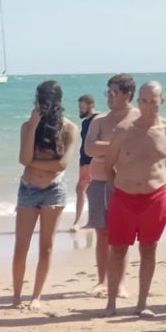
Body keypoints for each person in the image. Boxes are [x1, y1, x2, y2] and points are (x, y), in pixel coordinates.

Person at [100, 82, 166, 318]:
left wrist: (155, 184)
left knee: (148, 249)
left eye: (153, 100)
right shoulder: (124, 130)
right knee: (117, 250)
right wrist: (120, 186)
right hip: (123, 198)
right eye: (143, 100)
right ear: (138, 102)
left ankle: (142, 303)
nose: (148, 105)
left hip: (154, 198)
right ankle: (111, 303)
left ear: (161, 100)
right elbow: (108, 166)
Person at [12, 81, 77, 310]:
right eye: (39, 100)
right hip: (28, 188)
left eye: (46, 101)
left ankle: (36, 296)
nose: (42, 105)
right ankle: (17, 295)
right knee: (21, 245)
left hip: (54, 190)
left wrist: (35, 164)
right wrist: (33, 126)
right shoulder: (27, 127)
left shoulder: (69, 128)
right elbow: (24, 159)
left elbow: (62, 164)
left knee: (46, 246)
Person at [82, 74, 137, 297]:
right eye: (108, 93)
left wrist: (109, 148)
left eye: (114, 93)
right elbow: (89, 149)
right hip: (99, 183)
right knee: (102, 233)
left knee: (121, 236)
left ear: (127, 95)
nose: (109, 97)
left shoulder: (137, 119)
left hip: (125, 184)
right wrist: (116, 146)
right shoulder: (99, 120)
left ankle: (120, 283)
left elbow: (139, 148)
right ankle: (102, 280)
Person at [71, 94, 96, 231]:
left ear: (90, 105)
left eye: (82, 107)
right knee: (83, 189)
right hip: (84, 160)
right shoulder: (85, 122)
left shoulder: (97, 120)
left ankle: (79, 222)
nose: (80, 110)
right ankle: (90, 220)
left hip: (91, 160)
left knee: (82, 189)